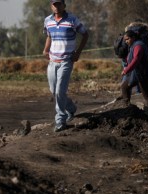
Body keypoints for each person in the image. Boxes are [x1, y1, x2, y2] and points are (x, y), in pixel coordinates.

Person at [43, 0, 89, 132]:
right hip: (52, 61)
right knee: (54, 91)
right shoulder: (48, 21)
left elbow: (85, 34)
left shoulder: (72, 20)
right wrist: (46, 49)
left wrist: (78, 53)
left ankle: (60, 120)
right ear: (51, 6)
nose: (56, 7)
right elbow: (49, 35)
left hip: (66, 61)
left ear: (64, 5)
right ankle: (71, 108)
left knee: (60, 92)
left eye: (59, 4)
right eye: (54, 4)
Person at [121, 30, 148, 114]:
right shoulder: (133, 45)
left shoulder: (139, 46)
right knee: (124, 87)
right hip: (136, 73)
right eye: (125, 40)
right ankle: (127, 108)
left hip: (144, 74)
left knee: (147, 96)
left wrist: (126, 70)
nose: (126, 41)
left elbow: (136, 59)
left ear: (133, 37)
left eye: (127, 39)